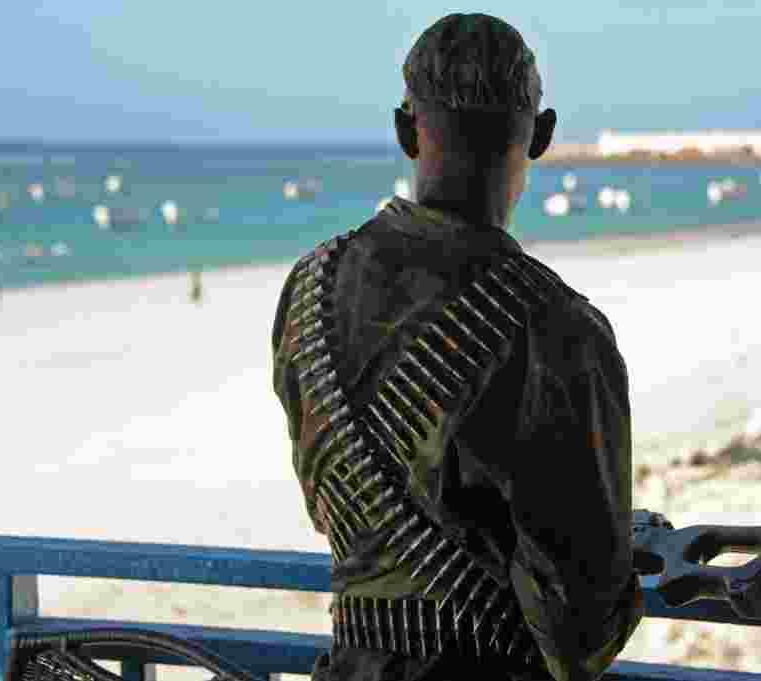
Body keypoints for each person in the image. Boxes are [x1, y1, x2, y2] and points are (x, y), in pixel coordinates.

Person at [271, 14, 642, 681]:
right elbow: (581, 628)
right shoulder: (556, 329)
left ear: (405, 130)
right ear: (543, 135)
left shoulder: (311, 283)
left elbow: (332, 508)